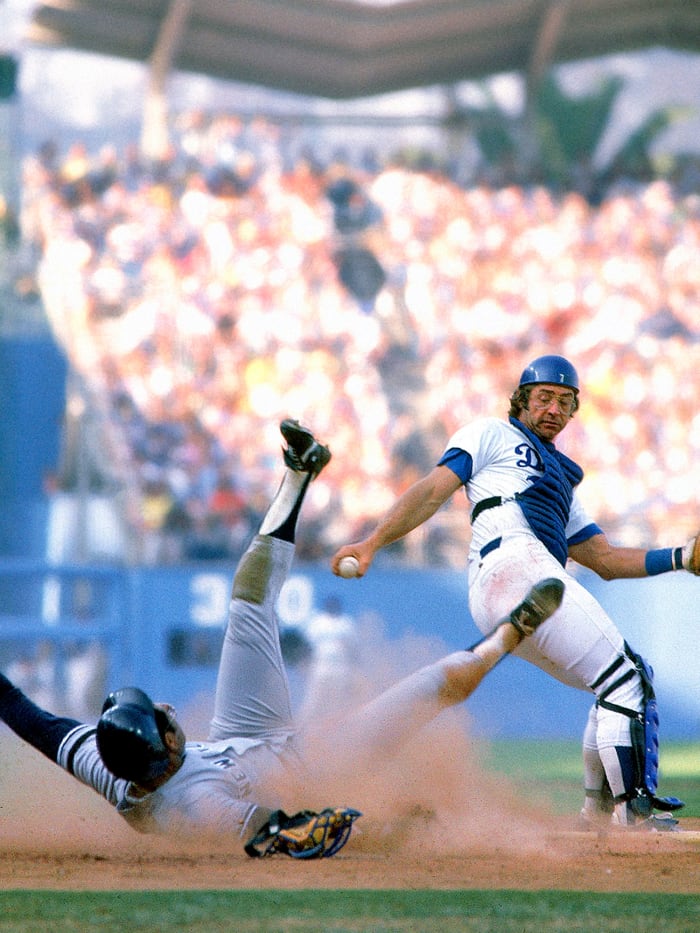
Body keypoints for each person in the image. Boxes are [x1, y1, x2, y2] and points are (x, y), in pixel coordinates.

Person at [0, 419, 564, 856]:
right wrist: (377, 826)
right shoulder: (191, 807)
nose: (167, 709)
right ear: (165, 746)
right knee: (428, 690)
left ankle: (298, 471)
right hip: (305, 769)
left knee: (247, 600)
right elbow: (281, 835)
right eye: (162, 717)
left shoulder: (108, 760)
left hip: (242, 731)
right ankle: (511, 630)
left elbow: (28, 717)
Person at [332, 355, 694, 831]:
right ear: (520, 399)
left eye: (565, 402)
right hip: (516, 563)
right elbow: (433, 490)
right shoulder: (491, 433)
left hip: (518, 578)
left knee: (617, 683)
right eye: (543, 397)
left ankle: (598, 817)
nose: (553, 409)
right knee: (627, 680)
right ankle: (634, 812)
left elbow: (603, 560)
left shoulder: (563, 480)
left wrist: (682, 558)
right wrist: (374, 541)